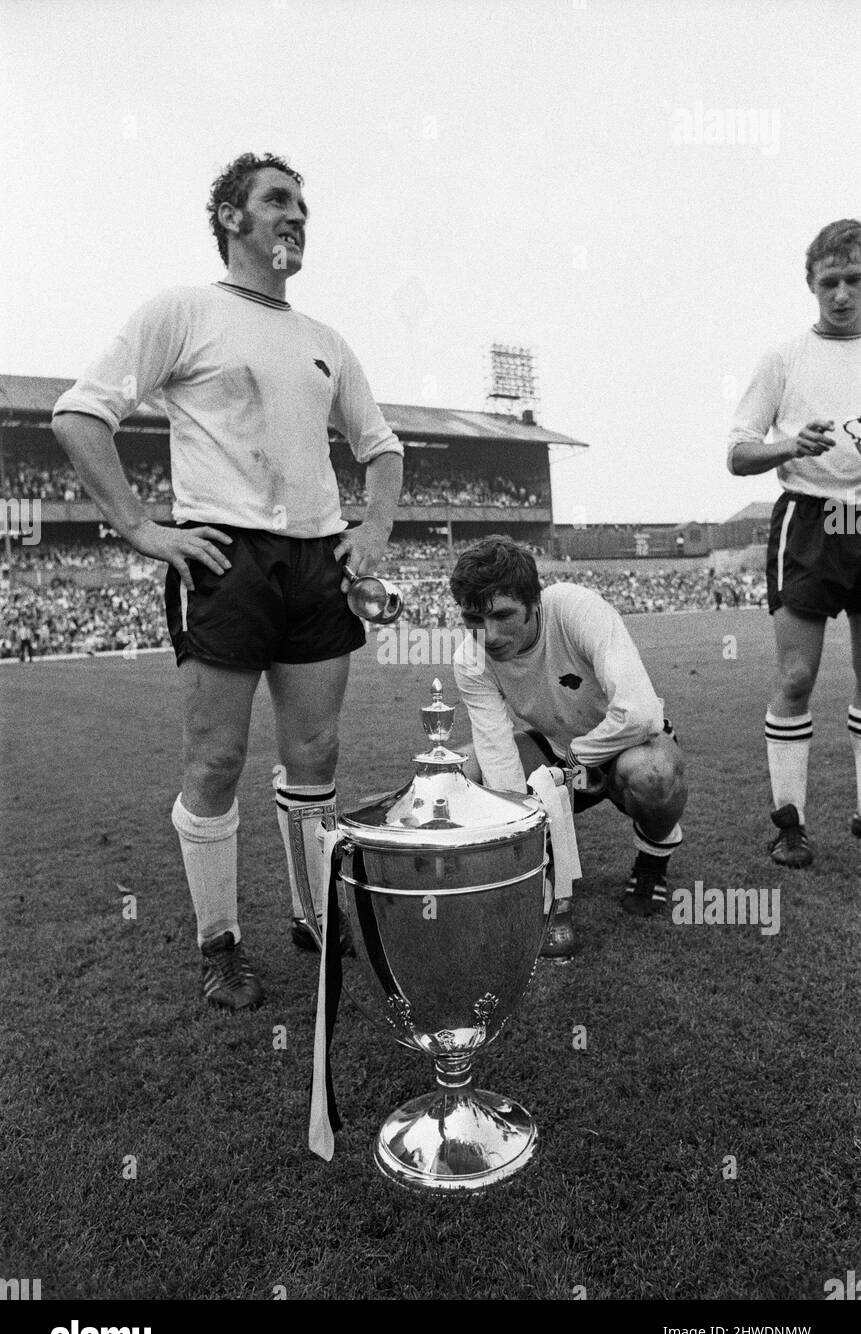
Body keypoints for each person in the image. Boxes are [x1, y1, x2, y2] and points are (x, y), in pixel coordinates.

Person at [52, 152, 403, 1009]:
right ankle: (219, 942)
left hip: (318, 561)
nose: (297, 216)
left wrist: (372, 531)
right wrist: (141, 528)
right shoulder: (182, 310)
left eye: (303, 205)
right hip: (225, 558)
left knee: (314, 754)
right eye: (277, 200)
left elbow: (381, 446)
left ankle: (309, 913)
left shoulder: (325, 340)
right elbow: (79, 412)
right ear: (231, 218)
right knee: (215, 757)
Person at [449, 536, 687, 956]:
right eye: (473, 619)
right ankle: (538, 879)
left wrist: (580, 759)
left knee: (654, 775)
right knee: (466, 770)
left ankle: (651, 863)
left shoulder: (575, 608)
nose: (489, 634)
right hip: (556, 750)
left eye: (503, 615)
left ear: (534, 603)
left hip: (626, 743)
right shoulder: (470, 659)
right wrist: (526, 843)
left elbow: (639, 713)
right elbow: (498, 756)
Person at [728, 218, 861, 868]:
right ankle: (790, 825)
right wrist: (789, 444)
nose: (841, 294)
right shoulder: (783, 359)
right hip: (807, 523)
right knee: (796, 675)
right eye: (829, 281)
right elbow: (737, 452)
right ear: (810, 283)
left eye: (853, 280)